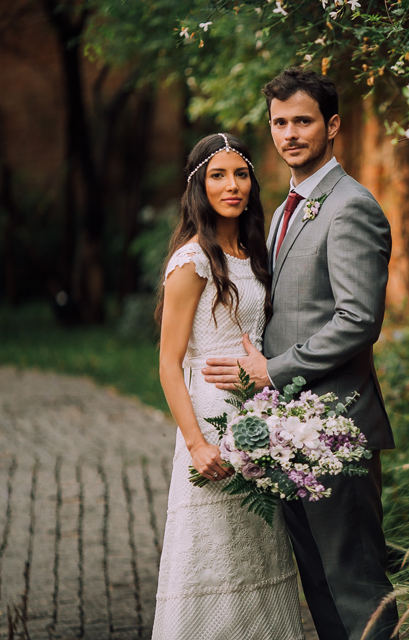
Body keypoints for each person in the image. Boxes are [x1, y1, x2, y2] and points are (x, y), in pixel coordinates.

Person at [203, 68, 399, 640]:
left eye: (303, 121)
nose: (290, 133)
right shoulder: (288, 206)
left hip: (335, 426)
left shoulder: (350, 207)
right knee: (319, 587)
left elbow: (359, 320)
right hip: (289, 425)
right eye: (279, 123)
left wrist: (272, 369)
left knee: (355, 585)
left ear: (332, 125)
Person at [153, 133, 303, 640]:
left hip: (257, 416)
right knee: (210, 552)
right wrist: (196, 444)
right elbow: (169, 363)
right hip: (209, 417)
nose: (232, 185)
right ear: (199, 186)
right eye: (218, 175)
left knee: (258, 553)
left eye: (240, 174)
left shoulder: (253, 250)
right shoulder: (192, 260)